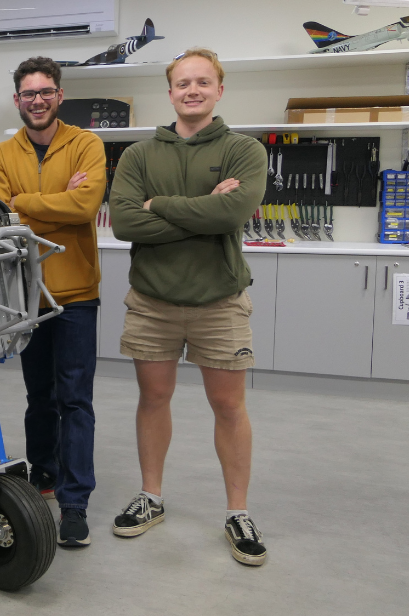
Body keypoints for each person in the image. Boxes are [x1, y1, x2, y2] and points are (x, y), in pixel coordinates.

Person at [108, 48, 269, 565]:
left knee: (228, 405)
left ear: (219, 89)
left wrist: (160, 205)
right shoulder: (138, 155)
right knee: (153, 399)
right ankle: (150, 497)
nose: (192, 90)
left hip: (219, 300)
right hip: (152, 300)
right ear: (171, 91)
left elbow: (233, 212)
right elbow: (126, 223)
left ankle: (237, 512)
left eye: (203, 81)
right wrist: (206, 209)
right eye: (183, 83)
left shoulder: (245, 150)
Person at [0, 56, 106, 547]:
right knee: (40, 398)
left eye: (46, 92)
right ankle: (45, 477)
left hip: (76, 294)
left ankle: (75, 503)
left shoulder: (87, 145)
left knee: (76, 400)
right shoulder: (0, 154)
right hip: (25, 293)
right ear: (18, 100)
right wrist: (56, 203)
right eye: (28, 93)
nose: (38, 100)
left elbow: (85, 207)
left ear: (59, 96)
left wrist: (24, 204)